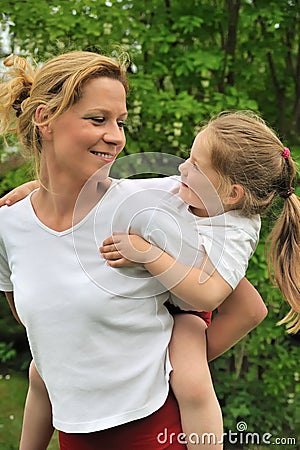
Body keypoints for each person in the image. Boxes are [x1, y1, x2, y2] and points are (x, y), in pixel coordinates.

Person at [0, 51, 267, 450]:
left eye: (120, 122)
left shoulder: (154, 205)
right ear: (44, 119)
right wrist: (38, 194)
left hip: (158, 431)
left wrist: (177, 364)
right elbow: (43, 334)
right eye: (98, 119)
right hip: (74, 437)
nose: (116, 136)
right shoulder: (9, 226)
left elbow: (245, 300)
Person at [99, 111, 300, 449]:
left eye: (195, 166)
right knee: (39, 372)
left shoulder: (236, 229)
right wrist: (41, 193)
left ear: (231, 194)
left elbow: (207, 297)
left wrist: (145, 251)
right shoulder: (184, 190)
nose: (181, 169)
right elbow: (111, 191)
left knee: (191, 381)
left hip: (186, 314)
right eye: (188, 159)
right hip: (146, 301)